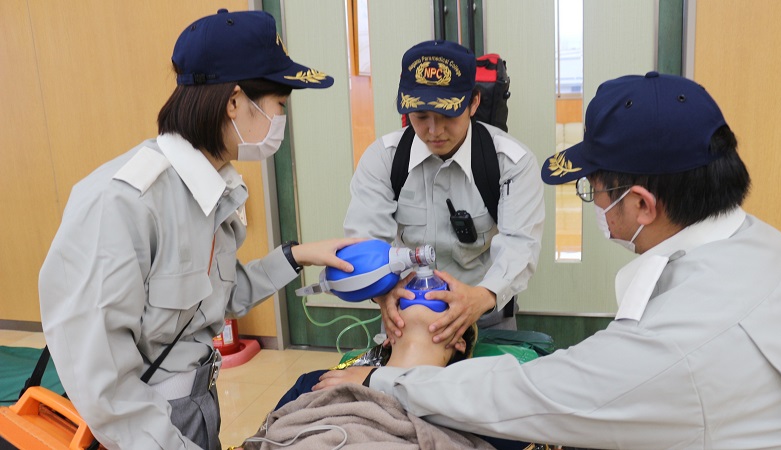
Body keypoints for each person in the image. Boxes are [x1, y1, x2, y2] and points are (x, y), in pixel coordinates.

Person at [317, 72, 781, 448]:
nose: (433, 129)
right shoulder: (770, 247)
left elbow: (533, 394)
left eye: (593, 189)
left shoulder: (675, 347)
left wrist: (389, 381)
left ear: (641, 204)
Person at [38, 9, 361, 450]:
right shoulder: (123, 202)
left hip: (195, 407)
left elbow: (211, 301)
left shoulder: (214, 188)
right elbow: (106, 387)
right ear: (234, 102)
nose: (280, 121)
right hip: (147, 426)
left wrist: (296, 256)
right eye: (279, 106)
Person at [343, 40, 545, 349]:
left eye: (447, 114)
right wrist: (383, 294)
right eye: (421, 115)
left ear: (473, 103)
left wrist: (480, 298)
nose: (434, 130)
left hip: (485, 313)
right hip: (406, 313)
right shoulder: (383, 159)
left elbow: (520, 246)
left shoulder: (511, 162)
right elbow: (365, 242)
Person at [234, 304, 532, 450]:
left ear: (459, 341)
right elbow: (265, 438)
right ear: (389, 334)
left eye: (439, 297)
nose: (423, 290)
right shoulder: (317, 380)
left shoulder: (469, 397)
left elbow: (524, 431)